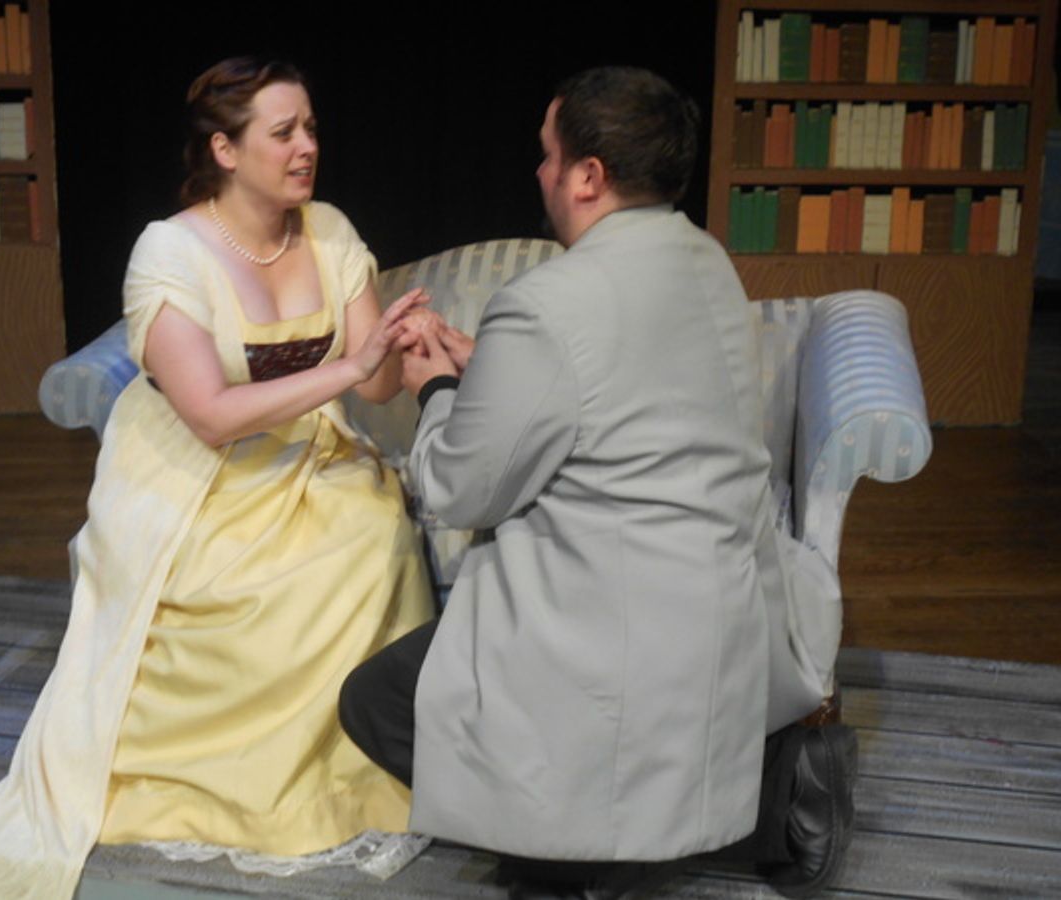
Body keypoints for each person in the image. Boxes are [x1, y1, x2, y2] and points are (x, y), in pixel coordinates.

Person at [340, 66, 856, 899]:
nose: (539, 172)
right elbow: (620, 396)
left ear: (588, 175)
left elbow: (461, 491)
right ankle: (769, 792)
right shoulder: (705, 259)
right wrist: (495, 370)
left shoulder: (547, 302)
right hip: (722, 606)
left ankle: (589, 859)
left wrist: (437, 387)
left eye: (549, 155)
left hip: (614, 623)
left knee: (381, 702)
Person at [0, 58, 435, 900]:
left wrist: (395, 346)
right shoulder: (169, 251)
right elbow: (208, 412)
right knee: (246, 584)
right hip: (203, 472)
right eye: (283, 132)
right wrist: (350, 364)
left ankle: (343, 767)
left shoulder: (330, 231)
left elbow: (374, 385)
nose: (306, 146)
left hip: (309, 458)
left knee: (365, 531)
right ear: (226, 149)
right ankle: (218, 774)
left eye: (310, 127)